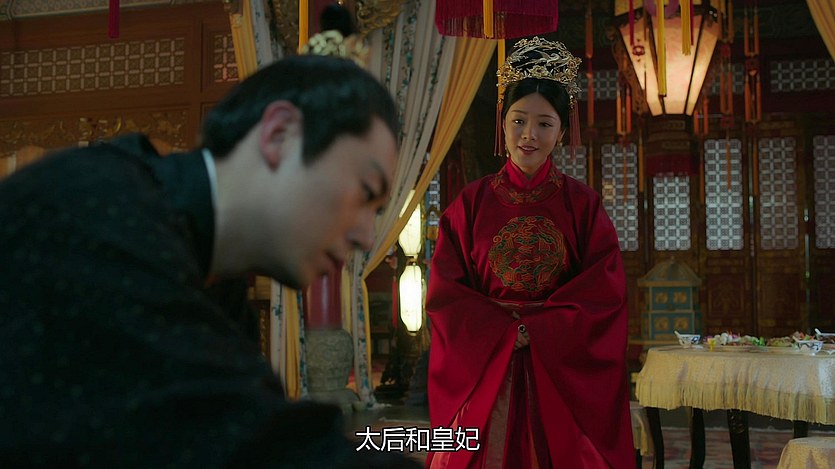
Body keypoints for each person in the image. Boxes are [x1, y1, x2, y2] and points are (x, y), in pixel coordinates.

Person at [0, 53, 419, 468]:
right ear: (280, 135)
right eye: (366, 192)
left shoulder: (216, 279)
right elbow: (254, 448)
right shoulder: (98, 208)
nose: (366, 236)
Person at [425, 37, 635, 468]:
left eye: (544, 124)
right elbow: (447, 293)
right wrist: (504, 332)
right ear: (502, 123)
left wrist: (537, 330)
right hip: (488, 363)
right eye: (518, 120)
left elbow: (603, 294)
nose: (529, 135)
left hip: (556, 367)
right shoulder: (470, 204)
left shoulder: (583, 205)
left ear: (562, 131)